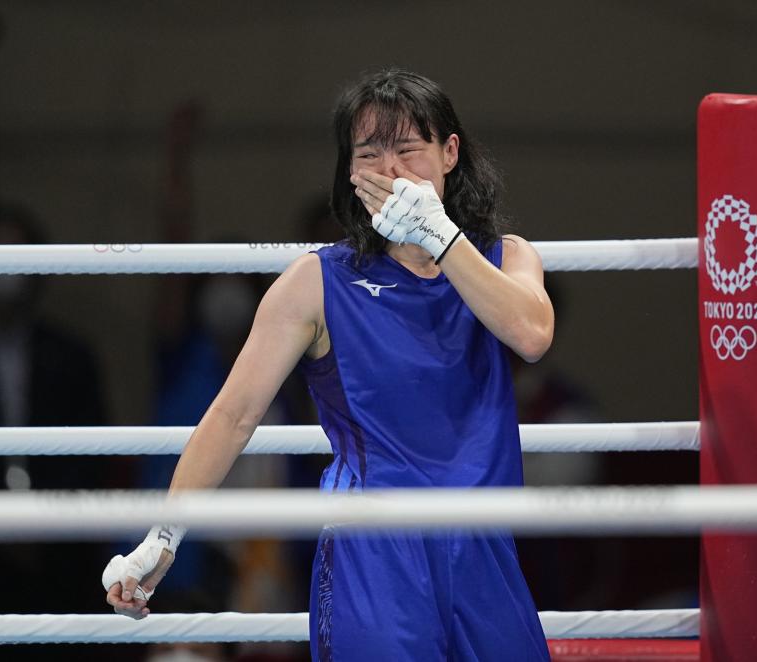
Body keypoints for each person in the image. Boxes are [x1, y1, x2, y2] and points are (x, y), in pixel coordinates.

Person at [103, 69, 554, 661]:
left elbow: (531, 334)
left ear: (449, 153)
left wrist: (441, 239)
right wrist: (164, 536)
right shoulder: (315, 284)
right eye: (370, 152)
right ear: (349, 170)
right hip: (372, 549)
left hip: (483, 544)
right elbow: (233, 415)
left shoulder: (508, 257)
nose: (390, 171)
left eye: (408, 150)